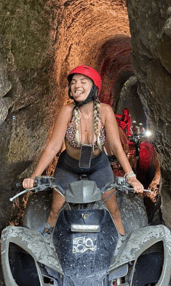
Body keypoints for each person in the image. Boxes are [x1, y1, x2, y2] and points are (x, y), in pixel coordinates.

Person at [23, 65, 143, 236]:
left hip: (98, 165)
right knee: (54, 210)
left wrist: (132, 178)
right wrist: (34, 176)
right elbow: (53, 146)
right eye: (73, 83)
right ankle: (47, 244)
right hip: (69, 166)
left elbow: (116, 146)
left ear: (94, 87)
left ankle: (121, 246)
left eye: (83, 82)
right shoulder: (67, 112)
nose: (77, 86)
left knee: (114, 210)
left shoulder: (105, 112)